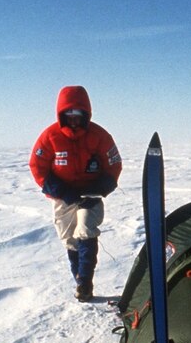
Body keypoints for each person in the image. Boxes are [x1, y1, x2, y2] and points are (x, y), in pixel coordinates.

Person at [29, 86, 122, 301]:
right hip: (63, 196)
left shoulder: (100, 136)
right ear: (61, 115)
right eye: (68, 115)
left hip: (91, 195)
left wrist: (100, 188)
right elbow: (37, 166)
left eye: (78, 114)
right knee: (69, 238)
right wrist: (62, 191)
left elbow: (114, 164)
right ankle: (79, 277)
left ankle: (85, 283)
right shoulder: (49, 137)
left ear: (86, 114)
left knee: (86, 230)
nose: (73, 119)